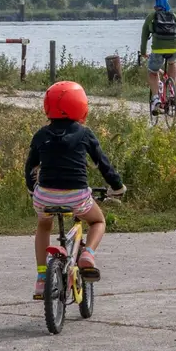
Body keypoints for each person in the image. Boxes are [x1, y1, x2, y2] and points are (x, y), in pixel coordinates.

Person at [25, 81, 126, 299]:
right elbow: (103, 164)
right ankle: (88, 254)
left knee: (44, 226)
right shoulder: (84, 133)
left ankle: (42, 278)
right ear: (81, 106)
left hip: (45, 196)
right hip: (77, 196)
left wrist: (32, 190)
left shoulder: (41, 134)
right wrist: (117, 186)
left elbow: (30, 167)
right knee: (98, 221)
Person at [140, 0, 176, 114]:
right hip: (174, 49)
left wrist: (143, 52)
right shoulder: (174, 16)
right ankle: (172, 92)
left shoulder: (152, 16)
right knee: (173, 63)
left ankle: (156, 98)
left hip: (158, 49)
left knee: (153, 72)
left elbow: (144, 36)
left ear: (156, 6)